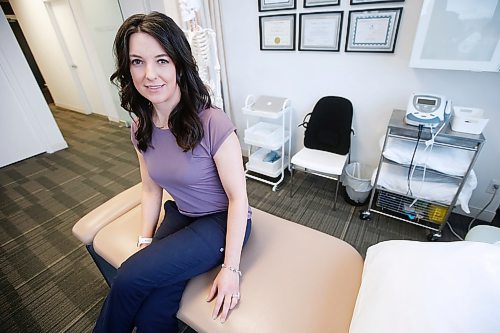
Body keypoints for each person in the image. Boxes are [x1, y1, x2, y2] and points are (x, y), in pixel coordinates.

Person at [93, 12, 252, 333]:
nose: (150, 74)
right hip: (181, 213)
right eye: (137, 62)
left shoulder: (213, 122)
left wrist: (231, 269)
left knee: (128, 277)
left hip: (220, 221)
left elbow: (238, 198)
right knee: (153, 312)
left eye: (162, 60)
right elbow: (150, 188)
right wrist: (145, 239)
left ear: (179, 63)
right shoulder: (140, 126)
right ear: (128, 69)